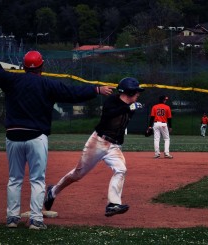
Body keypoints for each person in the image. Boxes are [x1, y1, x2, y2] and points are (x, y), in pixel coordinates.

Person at [0, 36, 113, 230]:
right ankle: (35, 220)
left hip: (13, 136)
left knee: (14, 179)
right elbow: (73, 93)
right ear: (41, 67)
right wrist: (96, 89)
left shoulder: (12, 81)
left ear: (24, 67)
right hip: (36, 137)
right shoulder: (47, 85)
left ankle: (11, 218)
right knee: (37, 180)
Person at [43, 77, 144, 217]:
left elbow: (120, 125)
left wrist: (130, 109)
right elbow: (109, 115)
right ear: (129, 91)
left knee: (121, 170)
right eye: (136, 91)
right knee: (78, 174)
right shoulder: (112, 101)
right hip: (98, 142)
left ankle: (113, 204)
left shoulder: (130, 107)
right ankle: (52, 191)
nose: (138, 94)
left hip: (113, 145)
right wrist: (128, 107)